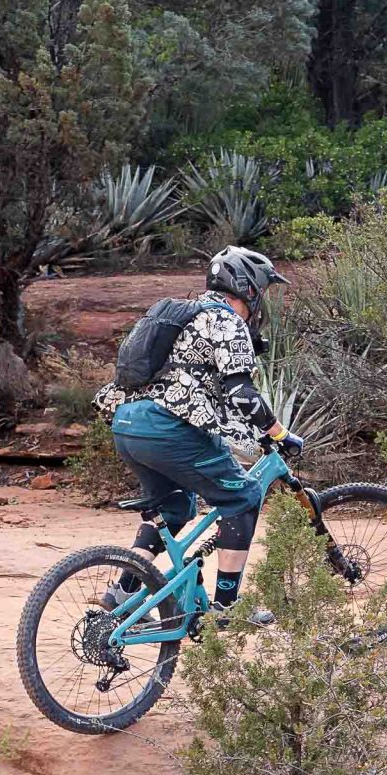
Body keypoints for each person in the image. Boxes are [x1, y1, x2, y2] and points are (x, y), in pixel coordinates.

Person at [93, 247, 301, 625]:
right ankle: (227, 607)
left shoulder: (183, 314)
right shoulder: (226, 322)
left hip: (127, 424)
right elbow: (242, 393)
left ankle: (123, 591)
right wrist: (280, 433)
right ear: (249, 290)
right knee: (244, 496)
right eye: (262, 294)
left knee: (175, 507)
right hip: (167, 428)